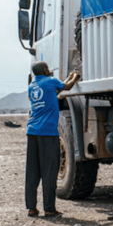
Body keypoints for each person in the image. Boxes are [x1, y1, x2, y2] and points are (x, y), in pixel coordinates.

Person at [25, 61, 80, 217]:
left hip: (32, 132)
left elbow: (52, 95)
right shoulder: (50, 81)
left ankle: (31, 208)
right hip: (48, 133)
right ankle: (49, 208)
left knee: (32, 171)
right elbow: (66, 87)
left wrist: (68, 78)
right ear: (44, 70)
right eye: (47, 68)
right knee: (49, 171)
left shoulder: (32, 86)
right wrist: (74, 77)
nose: (49, 70)